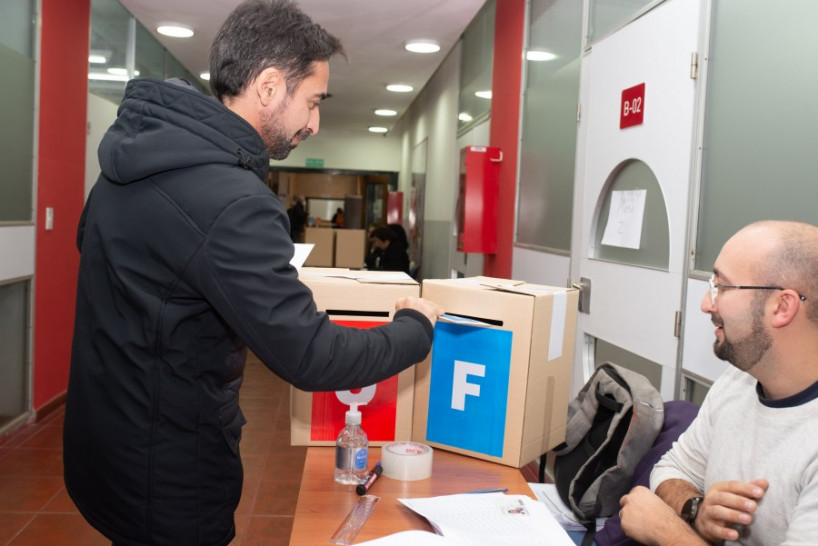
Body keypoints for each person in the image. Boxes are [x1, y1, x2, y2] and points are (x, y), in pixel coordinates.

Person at [63, 2, 443, 545]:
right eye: (312, 102)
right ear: (268, 88)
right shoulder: (233, 200)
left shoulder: (125, 165)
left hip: (102, 450)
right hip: (170, 476)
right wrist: (415, 329)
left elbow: (119, 263)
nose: (315, 123)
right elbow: (312, 358)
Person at [618, 220, 818, 546]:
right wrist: (694, 508)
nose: (706, 304)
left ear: (782, 306)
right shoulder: (740, 379)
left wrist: (670, 533)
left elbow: (666, 522)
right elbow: (671, 469)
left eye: (722, 287)